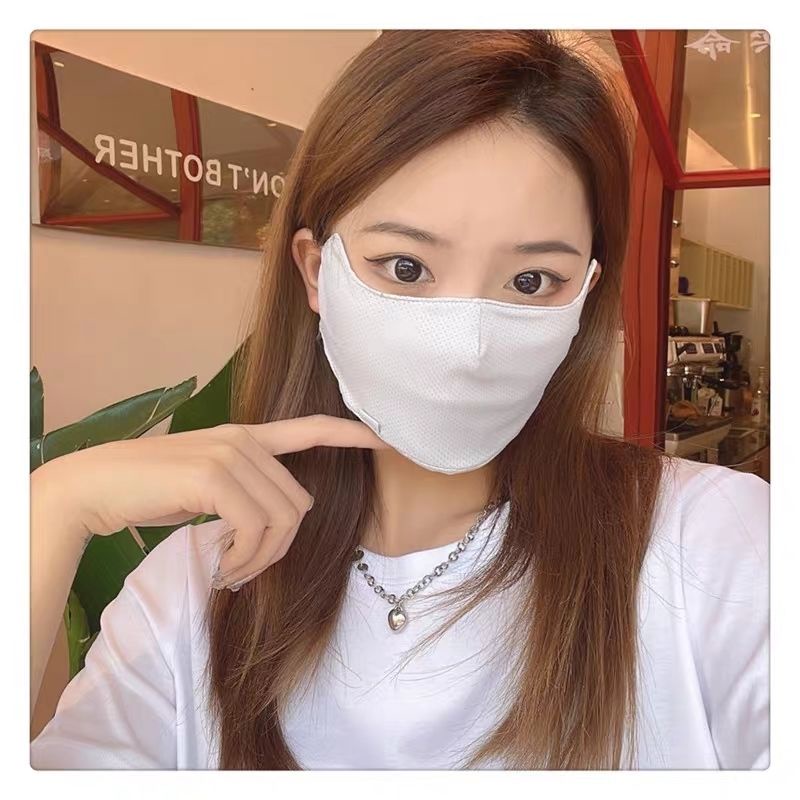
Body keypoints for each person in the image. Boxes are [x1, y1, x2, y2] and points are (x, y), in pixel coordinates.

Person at [30, 29, 769, 770]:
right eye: (407, 267)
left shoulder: (711, 542)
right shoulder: (193, 591)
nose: (467, 346)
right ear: (316, 272)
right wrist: (54, 505)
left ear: (585, 294)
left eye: (531, 281)